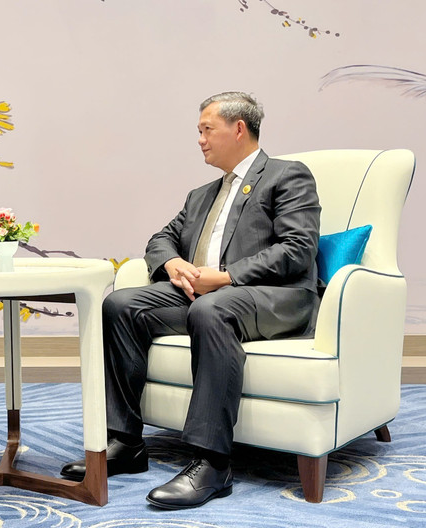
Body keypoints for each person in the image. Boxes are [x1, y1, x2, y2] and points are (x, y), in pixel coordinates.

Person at [61, 92, 321, 509]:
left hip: (274, 298)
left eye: (206, 130)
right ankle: (125, 442)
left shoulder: (287, 176)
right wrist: (173, 263)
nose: (199, 140)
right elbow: (160, 239)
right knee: (121, 305)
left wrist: (227, 276)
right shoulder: (201, 195)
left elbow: (297, 249)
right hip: (206, 296)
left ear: (239, 129)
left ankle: (213, 463)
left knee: (210, 308)